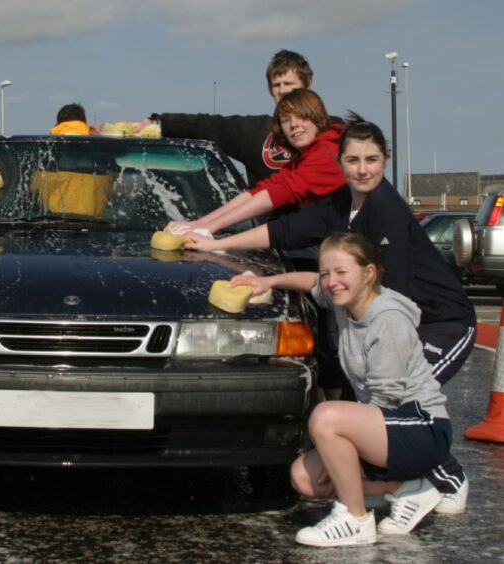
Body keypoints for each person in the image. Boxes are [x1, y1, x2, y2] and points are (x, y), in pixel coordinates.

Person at [186, 116, 475, 514]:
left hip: (438, 323)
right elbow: (282, 231)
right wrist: (216, 244)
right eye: (353, 160)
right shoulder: (342, 204)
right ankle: (400, 485)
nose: (362, 169)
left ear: (386, 161)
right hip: (390, 323)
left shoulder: (385, 209)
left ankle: (443, 477)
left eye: (372, 159)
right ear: (340, 164)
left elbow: (398, 302)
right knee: (369, 408)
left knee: (400, 402)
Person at [237, 232, 450, 546]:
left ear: (368, 273)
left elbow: (385, 400)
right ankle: (409, 490)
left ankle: (355, 519)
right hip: (386, 426)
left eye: (341, 272)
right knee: (304, 477)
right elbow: (310, 281)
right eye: (327, 273)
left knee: (327, 418)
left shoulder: (388, 319)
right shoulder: (344, 300)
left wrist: (343, 447)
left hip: (421, 427)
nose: (331, 281)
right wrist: (268, 281)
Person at [165, 89, 344, 235]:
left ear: (317, 117)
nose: (293, 124)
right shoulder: (306, 157)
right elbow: (262, 190)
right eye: (286, 119)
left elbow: (278, 193)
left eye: (301, 116)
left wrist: (211, 227)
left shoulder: (328, 151)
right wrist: (199, 223)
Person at [133, 49, 315, 186]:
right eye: (276, 85)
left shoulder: (332, 129)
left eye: (289, 83)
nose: (282, 90)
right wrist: (157, 122)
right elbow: (207, 125)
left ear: (308, 85)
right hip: (267, 232)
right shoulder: (255, 131)